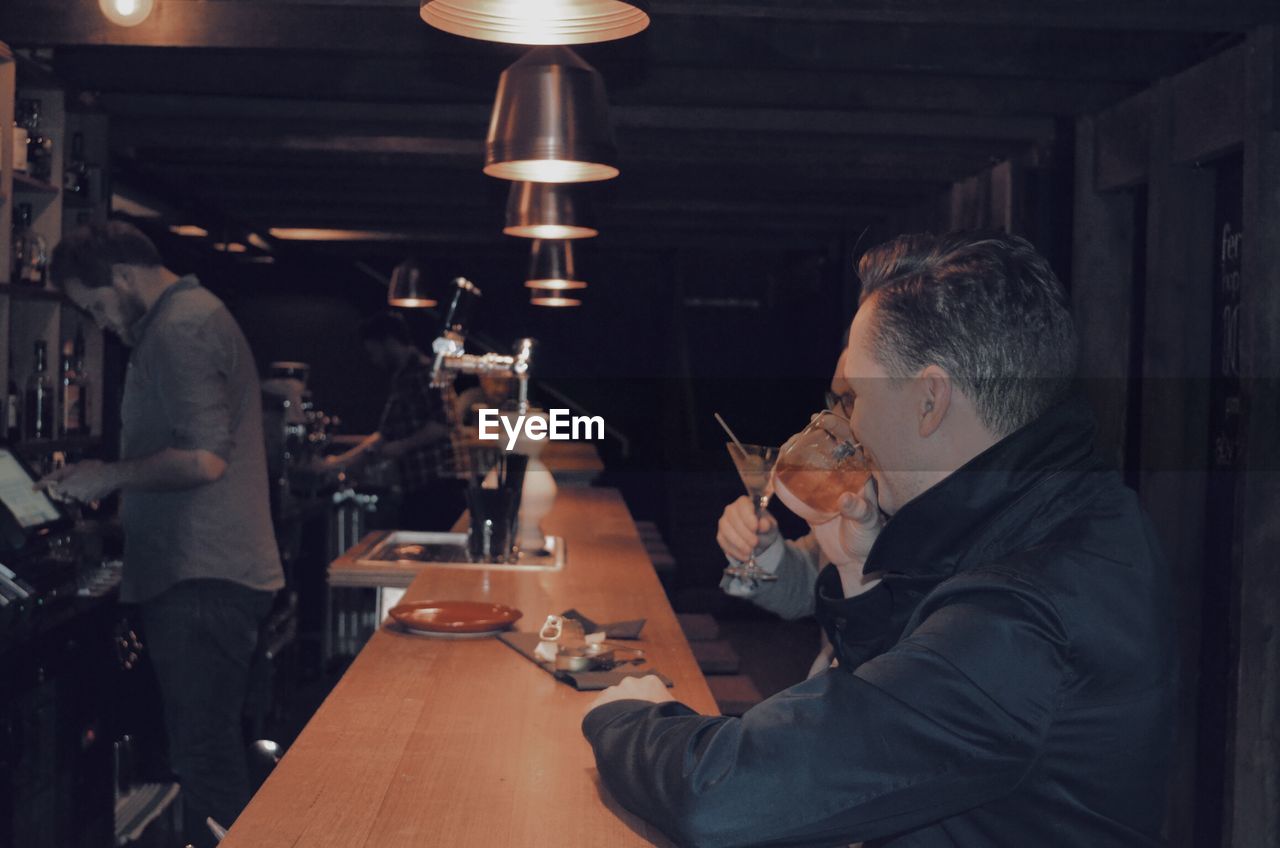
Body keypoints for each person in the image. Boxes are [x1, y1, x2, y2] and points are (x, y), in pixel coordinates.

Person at [582, 232, 1176, 847]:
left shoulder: (1027, 607)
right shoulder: (1064, 512)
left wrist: (623, 716)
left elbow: (722, 798)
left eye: (854, 396)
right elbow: (904, 736)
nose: (839, 423)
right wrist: (860, 573)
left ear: (928, 400)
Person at [39, 222, 284, 848]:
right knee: (207, 750)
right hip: (208, 574)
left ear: (121, 276)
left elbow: (204, 460)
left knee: (203, 758)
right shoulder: (186, 321)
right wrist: (115, 521)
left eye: (95, 305)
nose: (99, 322)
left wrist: (105, 476)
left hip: (202, 581)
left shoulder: (181, 329)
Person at [715, 350, 878, 677]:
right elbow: (811, 585)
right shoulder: (854, 490)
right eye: (834, 398)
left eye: (849, 399)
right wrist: (763, 551)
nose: (830, 419)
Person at [327, 312, 465, 530]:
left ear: (389, 342)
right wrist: (340, 462)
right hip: (422, 487)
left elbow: (443, 424)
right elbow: (385, 434)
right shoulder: (405, 376)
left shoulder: (425, 372)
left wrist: (401, 446)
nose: (374, 360)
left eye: (374, 352)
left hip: (437, 486)